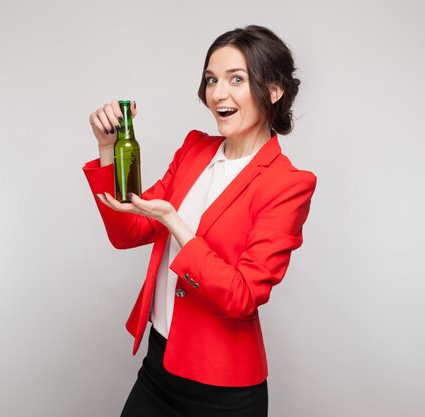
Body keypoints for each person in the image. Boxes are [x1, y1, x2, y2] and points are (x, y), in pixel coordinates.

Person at [83, 25, 317, 417]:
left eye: (236, 79)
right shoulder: (195, 149)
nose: (218, 93)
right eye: (211, 79)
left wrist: (175, 221)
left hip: (223, 390)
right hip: (160, 365)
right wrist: (108, 150)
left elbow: (242, 297)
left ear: (274, 90)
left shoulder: (288, 184)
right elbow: (128, 232)